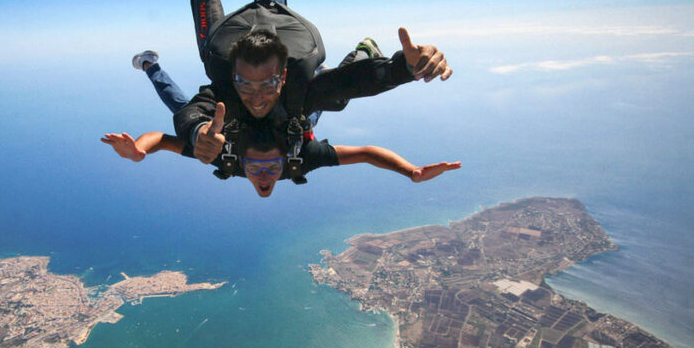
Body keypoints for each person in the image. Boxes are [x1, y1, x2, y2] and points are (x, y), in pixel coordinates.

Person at [169, 0, 454, 165]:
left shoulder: (297, 87)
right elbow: (190, 114)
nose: (256, 98)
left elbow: (352, 81)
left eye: (267, 84)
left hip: (270, 43)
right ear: (235, 77)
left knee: (210, 54)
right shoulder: (226, 90)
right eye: (245, 84)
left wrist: (405, 67)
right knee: (215, 57)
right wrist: (199, 131)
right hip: (240, 44)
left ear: (283, 78)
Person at [101, 126, 461, 198]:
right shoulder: (299, 162)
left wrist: (410, 171)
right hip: (285, 128)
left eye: (268, 169)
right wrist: (139, 151)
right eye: (258, 168)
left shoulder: (230, 162)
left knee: (312, 107)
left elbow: (163, 142)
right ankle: (151, 66)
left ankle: (361, 56)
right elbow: (162, 140)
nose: (262, 176)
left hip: (289, 127)